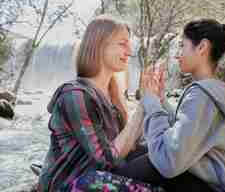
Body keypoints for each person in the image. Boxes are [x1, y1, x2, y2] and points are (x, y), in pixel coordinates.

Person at [114, 19, 225, 192]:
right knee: (136, 155)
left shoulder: (201, 95)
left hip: (209, 188)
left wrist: (152, 104)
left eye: (182, 46)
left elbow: (168, 161)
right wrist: (161, 101)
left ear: (202, 47)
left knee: (119, 175)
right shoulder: (215, 90)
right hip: (209, 184)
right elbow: (187, 135)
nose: (177, 54)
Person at [37, 16, 163, 192]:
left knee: (165, 162)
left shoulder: (113, 94)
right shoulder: (76, 95)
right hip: (69, 184)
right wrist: (143, 106)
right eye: (122, 43)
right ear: (99, 45)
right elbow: (108, 159)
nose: (129, 51)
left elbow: (129, 145)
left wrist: (156, 101)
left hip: (100, 175)